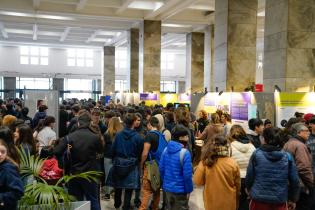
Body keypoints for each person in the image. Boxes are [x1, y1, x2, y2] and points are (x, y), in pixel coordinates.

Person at [54, 111, 104, 210]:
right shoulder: (96, 137)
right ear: (90, 123)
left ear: (78, 123)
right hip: (91, 173)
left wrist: (66, 157)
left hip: (74, 173)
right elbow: (101, 153)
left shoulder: (70, 137)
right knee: (93, 200)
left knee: (76, 201)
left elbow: (57, 151)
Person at [246, 128, 300, 210]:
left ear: (264, 139)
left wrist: (249, 190)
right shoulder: (287, 156)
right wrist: (293, 199)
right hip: (279, 200)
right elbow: (295, 180)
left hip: (258, 199)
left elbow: (250, 176)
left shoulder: (257, 154)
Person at [194, 135, 240, 210]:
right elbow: (237, 185)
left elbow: (198, 181)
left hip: (211, 201)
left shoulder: (205, 162)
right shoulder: (233, 163)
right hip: (229, 202)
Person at [110, 113, 143, 210]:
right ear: (133, 122)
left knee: (118, 187)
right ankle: (126, 207)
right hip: (132, 164)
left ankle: (117, 205)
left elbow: (113, 149)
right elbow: (139, 152)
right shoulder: (138, 137)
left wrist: (114, 160)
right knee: (129, 188)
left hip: (119, 163)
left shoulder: (118, 135)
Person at [159, 125, 193, 210]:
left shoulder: (166, 149)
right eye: (186, 136)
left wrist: (166, 181)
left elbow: (161, 169)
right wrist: (189, 190)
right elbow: (187, 175)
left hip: (167, 189)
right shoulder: (185, 153)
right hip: (180, 191)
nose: (188, 138)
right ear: (181, 137)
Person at [283, 123, 314, 210]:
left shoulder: (288, 143)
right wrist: (311, 183)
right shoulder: (300, 146)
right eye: (306, 131)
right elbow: (303, 168)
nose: (309, 133)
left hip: (290, 184)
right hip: (301, 186)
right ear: (298, 132)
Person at [139, 116, 167, 210]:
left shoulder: (149, 135)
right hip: (160, 165)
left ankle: (142, 208)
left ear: (149, 124)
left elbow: (145, 153)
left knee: (146, 190)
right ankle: (155, 207)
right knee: (156, 190)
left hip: (150, 166)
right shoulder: (161, 135)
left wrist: (141, 163)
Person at [229, 125, 255, 210]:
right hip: (250, 178)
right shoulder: (252, 147)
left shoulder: (230, 147)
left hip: (235, 178)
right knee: (247, 203)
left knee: (236, 202)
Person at [0, 139, 24, 210]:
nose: (0, 154)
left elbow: (18, 192)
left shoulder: (8, 168)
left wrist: (1, 198)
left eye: (3, 151)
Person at [103, 117, 123, 200]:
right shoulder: (121, 134)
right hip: (118, 156)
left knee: (108, 175)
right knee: (118, 174)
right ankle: (116, 191)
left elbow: (103, 145)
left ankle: (107, 193)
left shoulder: (107, 133)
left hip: (108, 156)